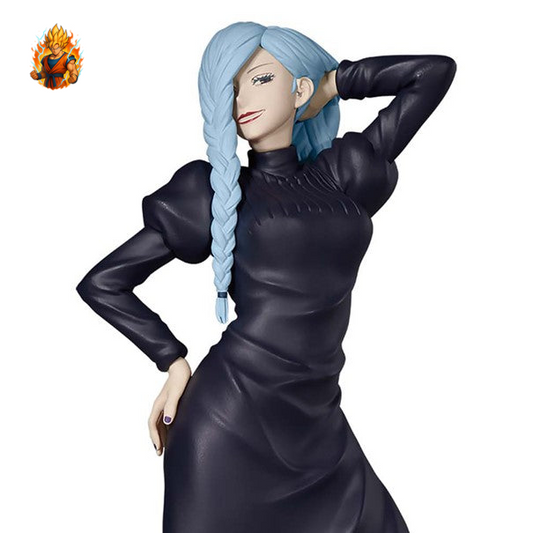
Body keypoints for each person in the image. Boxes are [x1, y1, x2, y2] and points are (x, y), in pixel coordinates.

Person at [76, 21, 456, 533]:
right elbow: (104, 282)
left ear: (298, 88)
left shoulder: (343, 174)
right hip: (228, 420)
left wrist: (333, 83)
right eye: (230, 88)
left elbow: (433, 74)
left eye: (259, 79)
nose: (241, 100)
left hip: (318, 424)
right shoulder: (215, 196)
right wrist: (173, 361)